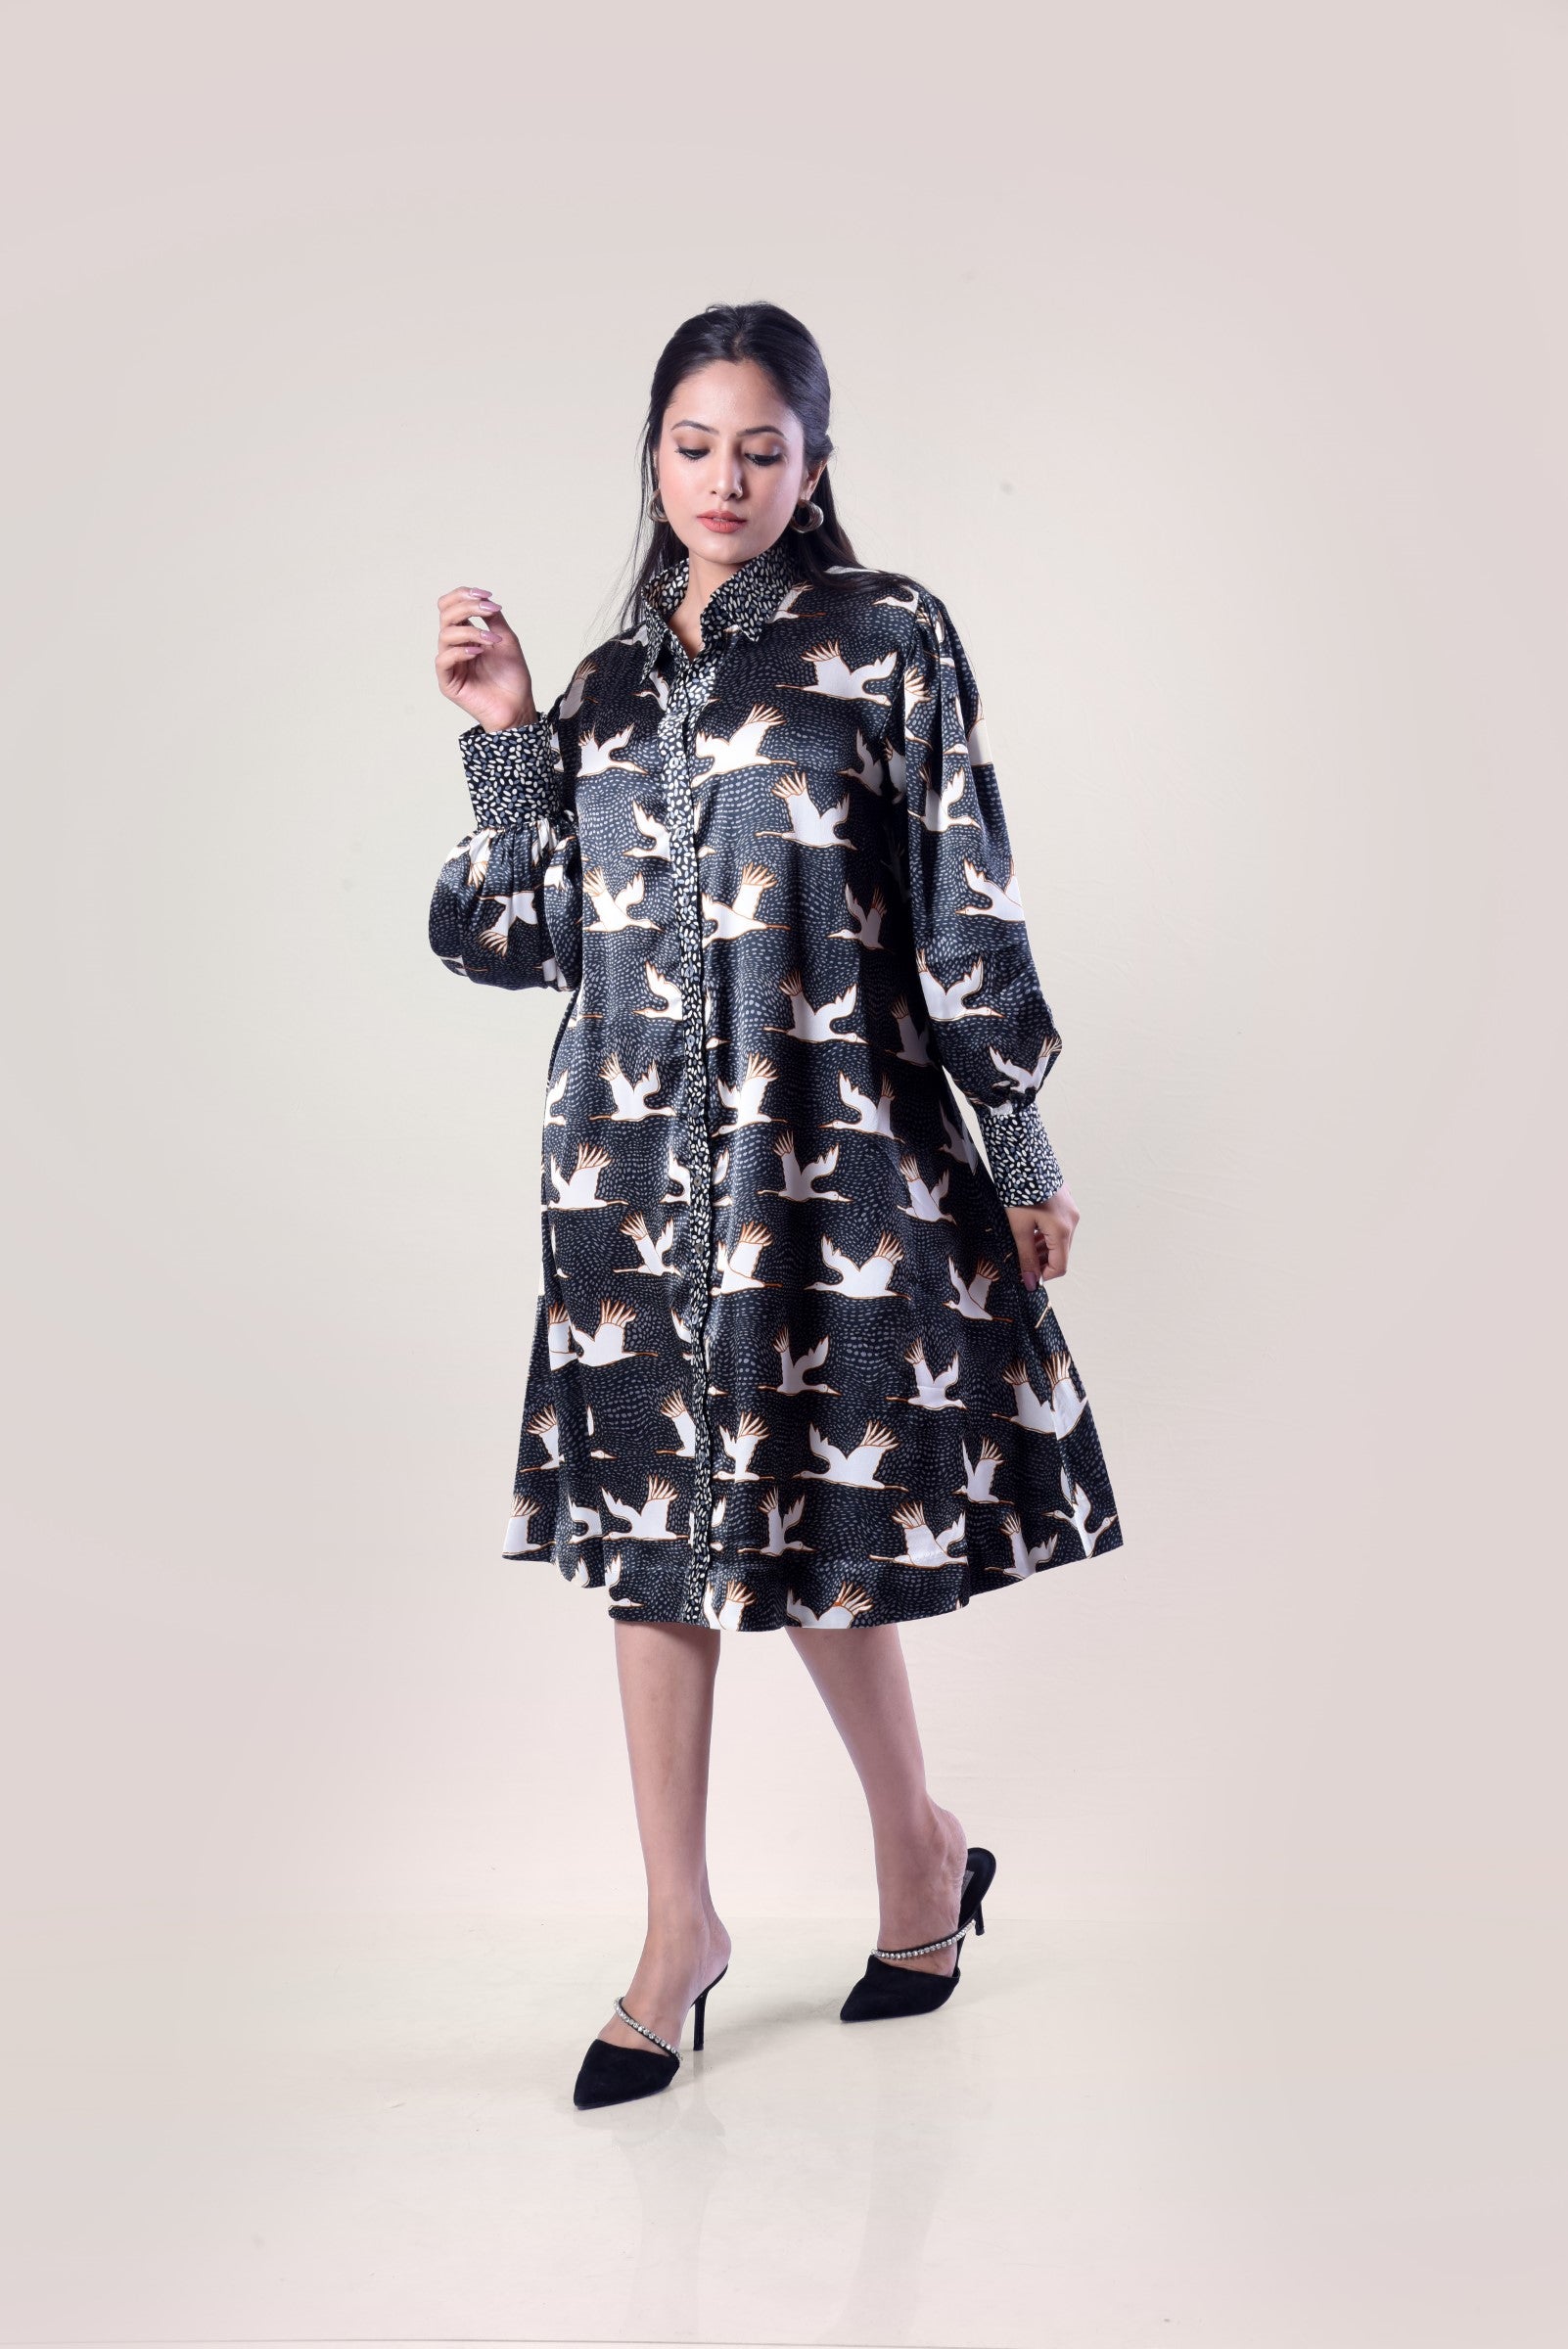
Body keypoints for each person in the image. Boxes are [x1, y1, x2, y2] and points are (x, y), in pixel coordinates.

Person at [430, 301, 1125, 2108]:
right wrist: (503, 735)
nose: (722, 480)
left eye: (760, 448)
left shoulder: (884, 635)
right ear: (651, 458)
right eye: (692, 446)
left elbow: (961, 891)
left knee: (822, 1530)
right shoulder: (597, 688)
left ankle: (918, 1852)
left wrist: (1017, 1143)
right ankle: (680, 1928)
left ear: (813, 467)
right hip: (621, 1173)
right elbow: (512, 935)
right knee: (651, 1553)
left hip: (827, 1152)